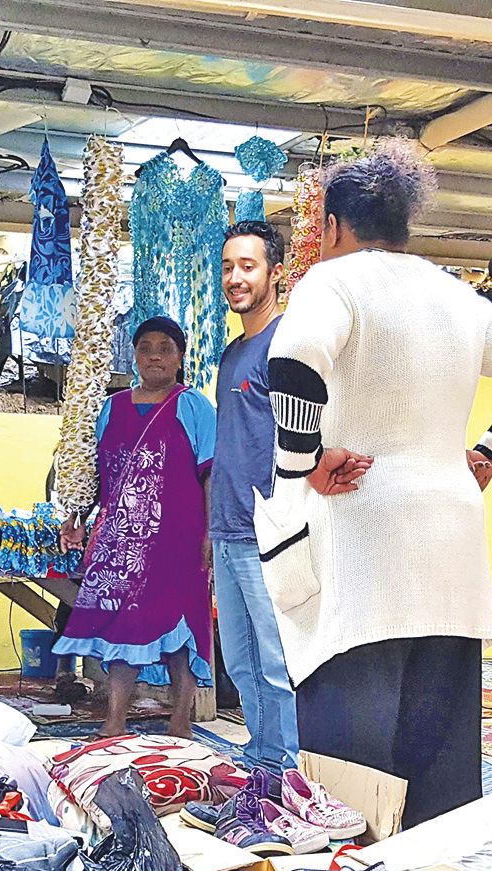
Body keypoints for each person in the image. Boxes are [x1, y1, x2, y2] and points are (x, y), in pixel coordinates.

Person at [266, 144, 492, 827]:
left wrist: (304, 461)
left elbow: (293, 358)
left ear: (333, 223)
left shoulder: (332, 282)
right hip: (450, 545)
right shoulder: (451, 294)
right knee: (438, 758)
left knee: (352, 764)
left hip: (362, 537)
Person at [56, 316, 219, 740]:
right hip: (122, 540)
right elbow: (98, 473)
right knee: (121, 629)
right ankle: (115, 720)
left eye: (164, 348)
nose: (154, 357)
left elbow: (211, 475)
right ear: (134, 356)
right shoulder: (112, 408)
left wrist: (209, 535)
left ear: (180, 356)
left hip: (177, 539)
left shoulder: (194, 406)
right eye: (145, 348)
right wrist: (79, 517)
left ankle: (180, 721)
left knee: (180, 631)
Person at [209, 219, 300, 777]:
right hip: (226, 530)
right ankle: (260, 760)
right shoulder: (230, 354)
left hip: (269, 530)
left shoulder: (287, 347)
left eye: (248, 266)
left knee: (274, 661)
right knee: (240, 663)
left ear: (275, 274)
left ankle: (289, 771)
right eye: (227, 267)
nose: (235, 278)